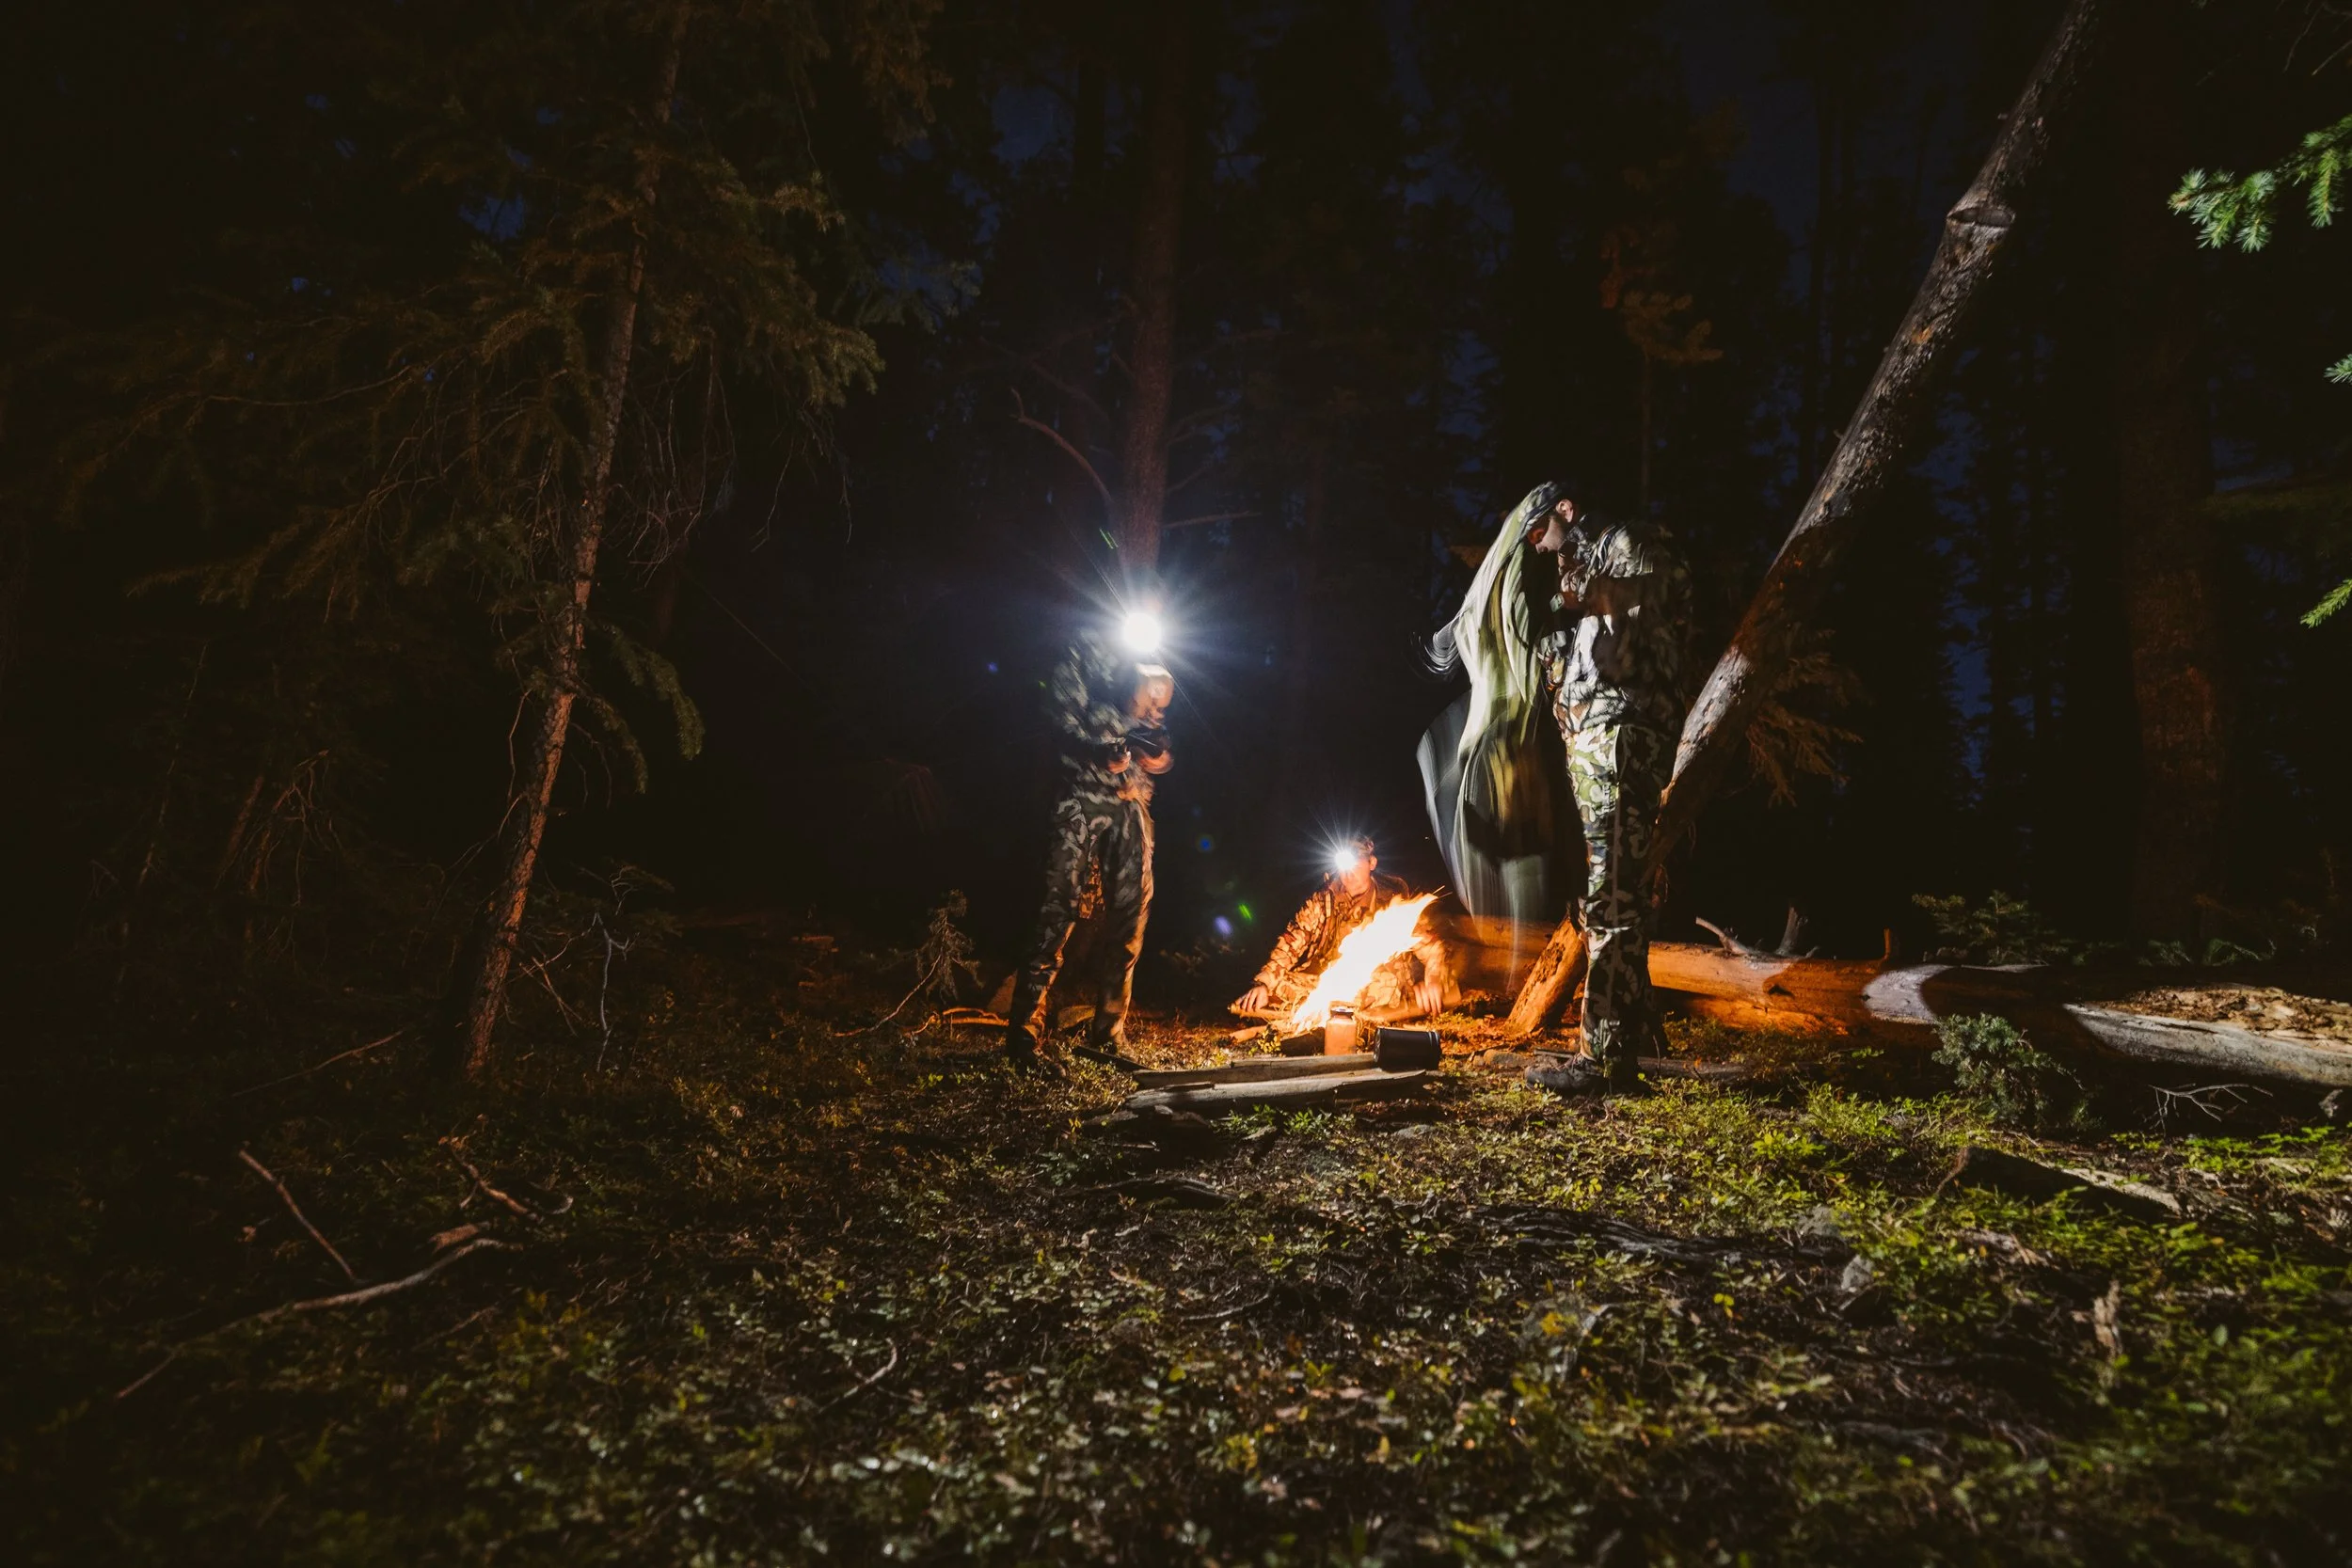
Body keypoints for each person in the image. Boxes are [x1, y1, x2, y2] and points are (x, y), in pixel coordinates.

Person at [1521, 480, 1692, 1092]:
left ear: (1565, 510)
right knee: (1609, 888)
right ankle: (1634, 1027)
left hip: (1626, 737)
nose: (1539, 546)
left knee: (1611, 893)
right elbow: (1569, 670)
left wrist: (1585, 594)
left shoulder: (1626, 539)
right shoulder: (1572, 588)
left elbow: (1659, 584)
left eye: (1540, 531)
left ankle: (1605, 1057)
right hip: (1592, 750)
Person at [1003, 626, 1174, 1074]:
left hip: (1130, 798)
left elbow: (1157, 731)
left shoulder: (1152, 656)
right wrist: (1096, 749)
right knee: (1057, 906)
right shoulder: (1085, 647)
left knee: (1132, 912)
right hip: (1080, 792)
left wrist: (1157, 753)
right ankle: (1024, 1029)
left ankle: (1109, 1032)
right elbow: (1059, 716)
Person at [1232, 837, 1447, 1026]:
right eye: (1343, 865)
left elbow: (1431, 946)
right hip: (1328, 980)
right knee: (1277, 986)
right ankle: (1327, 1013)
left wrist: (1434, 978)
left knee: (1381, 987)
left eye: (1356, 864)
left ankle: (1344, 1016)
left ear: (1372, 863)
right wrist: (1263, 984)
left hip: (1375, 983)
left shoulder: (1392, 903)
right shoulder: (1324, 900)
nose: (1348, 873)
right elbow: (1291, 943)